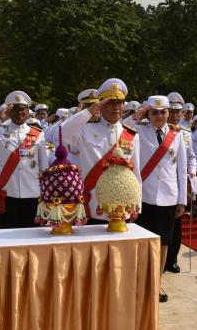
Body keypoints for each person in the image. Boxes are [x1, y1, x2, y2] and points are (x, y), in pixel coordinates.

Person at [60, 78, 141, 224]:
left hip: (122, 206)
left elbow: (135, 172)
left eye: (119, 103)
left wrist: (137, 204)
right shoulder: (85, 129)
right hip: (92, 204)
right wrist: (90, 110)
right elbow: (62, 133)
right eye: (110, 103)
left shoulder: (131, 135)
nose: (116, 107)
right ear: (101, 106)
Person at [134, 95, 187, 302]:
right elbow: (122, 129)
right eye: (154, 112)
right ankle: (141, 282)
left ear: (168, 113)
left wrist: (182, 200)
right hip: (144, 195)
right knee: (143, 242)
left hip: (169, 196)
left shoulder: (177, 134)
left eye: (163, 112)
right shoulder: (138, 131)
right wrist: (137, 115)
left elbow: (181, 169)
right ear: (148, 114)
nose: (159, 116)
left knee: (164, 242)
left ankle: (157, 282)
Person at [0, 90, 48, 228]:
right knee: (7, 233)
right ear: (8, 111)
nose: (20, 113)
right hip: (8, 192)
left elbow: (44, 166)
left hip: (32, 192)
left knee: (31, 234)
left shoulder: (38, 133)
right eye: (15, 109)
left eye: (23, 109)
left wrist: (45, 193)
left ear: (28, 111)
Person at [165, 92, 197, 274]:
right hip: (162, 182)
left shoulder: (185, 134)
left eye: (178, 112)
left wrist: (192, 171)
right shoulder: (157, 130)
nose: (175, 115)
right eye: (172, 111)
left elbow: (191, 156)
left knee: (176, 224)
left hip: (180, 183)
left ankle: (172, 259)